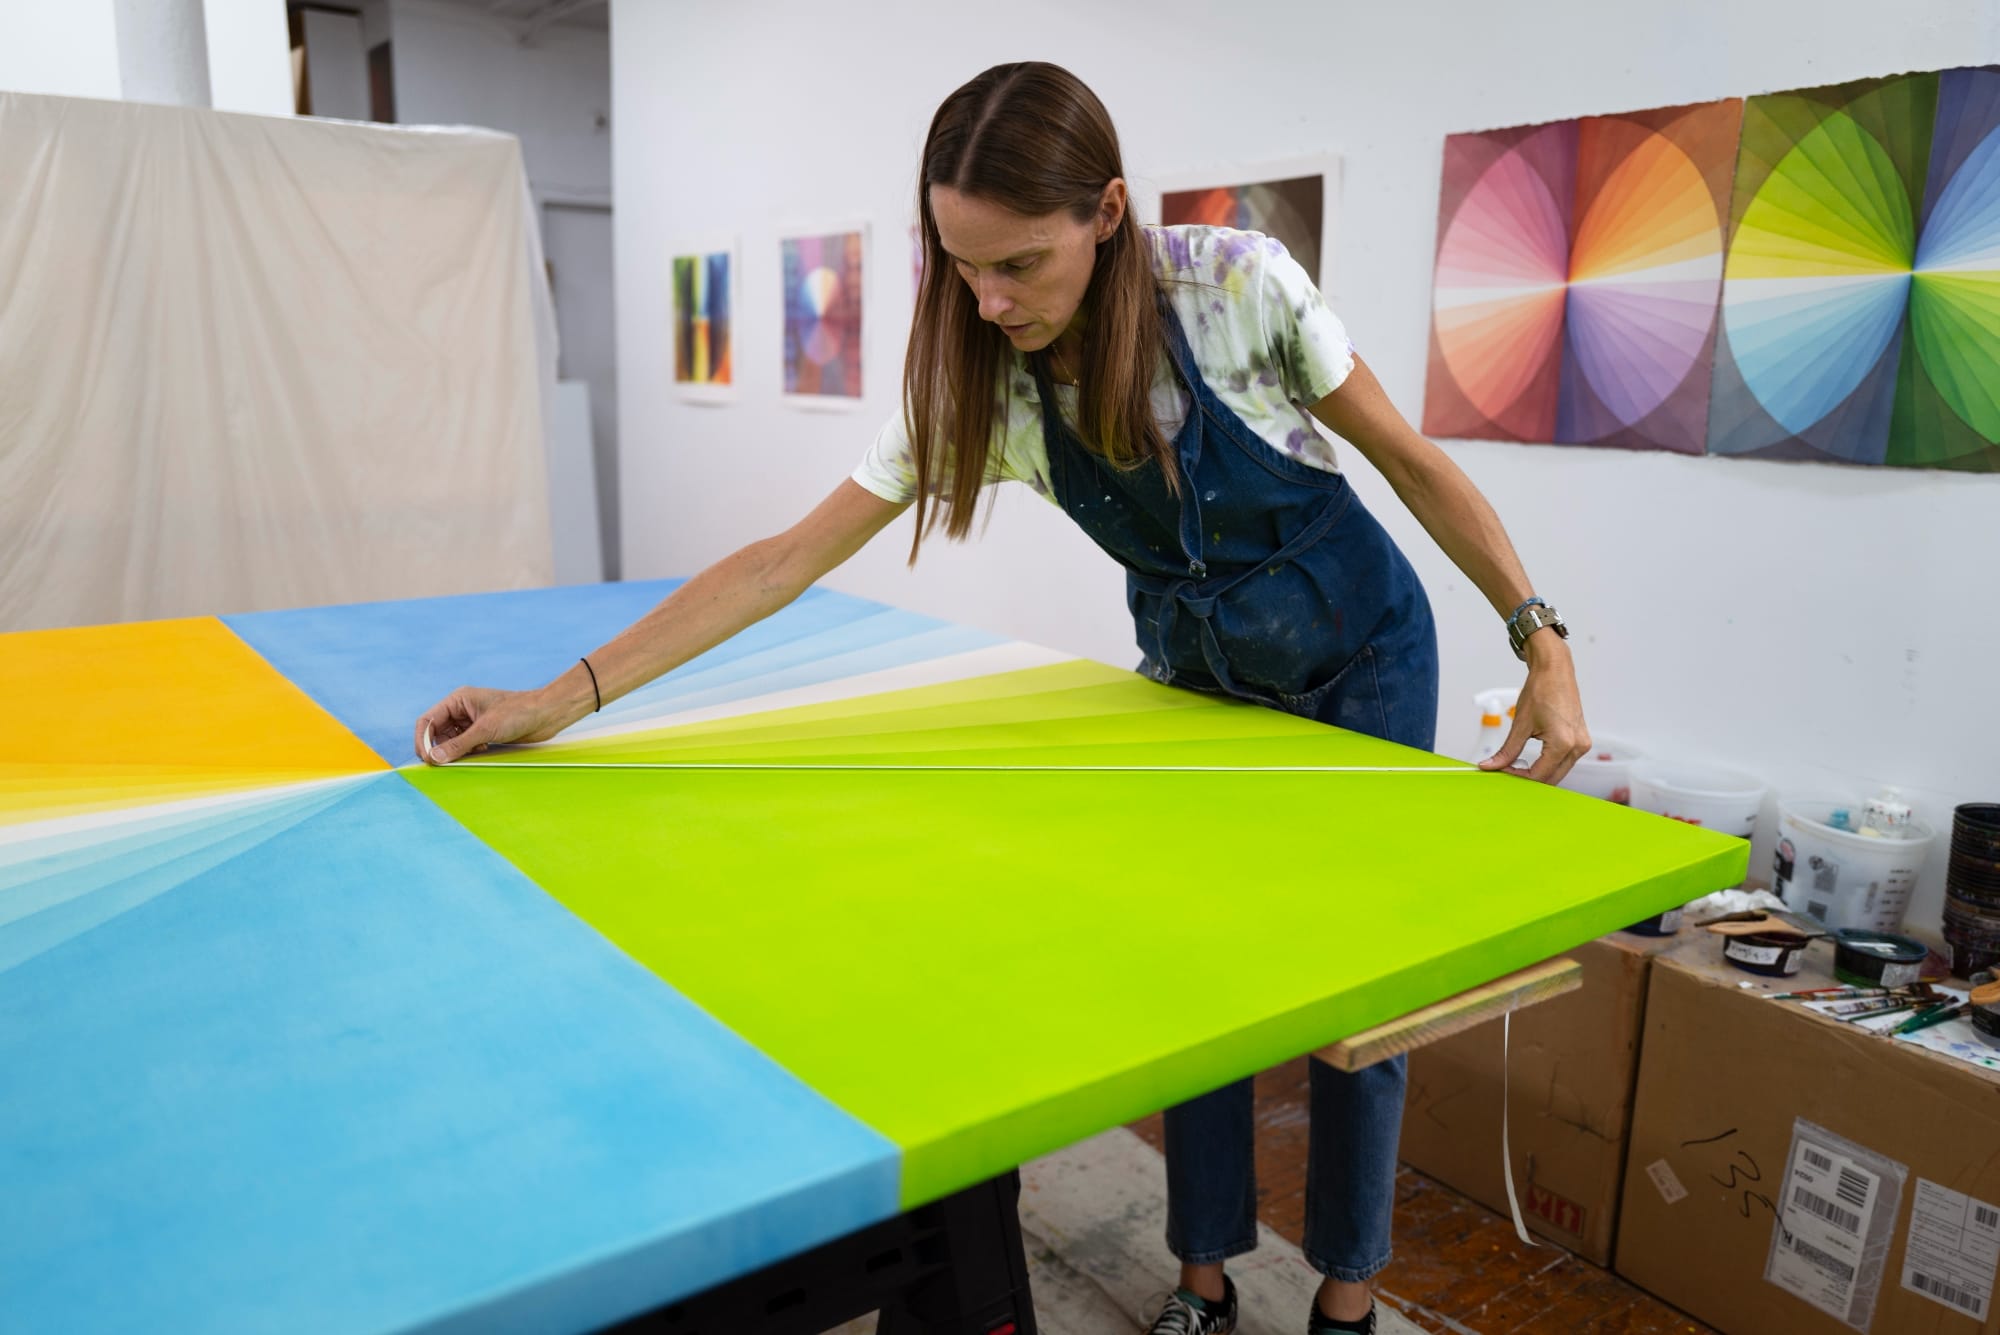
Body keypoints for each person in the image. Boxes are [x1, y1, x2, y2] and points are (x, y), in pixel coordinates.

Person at [415, 61, 1589, 1335]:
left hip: (1361, 660)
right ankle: (1201, 1282)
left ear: (1106, 212)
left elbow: (1410, 464)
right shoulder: (978, 382)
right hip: (1199, 682)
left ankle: (1345, 1298)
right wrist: (558, 699)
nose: (985, 299)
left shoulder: (1236, 289)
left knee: (1363, 992)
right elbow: (779, 563)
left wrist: (1538, 638)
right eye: (960, 264)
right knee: (1200, 973)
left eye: (1017, 263)